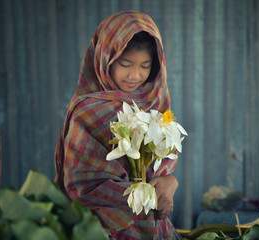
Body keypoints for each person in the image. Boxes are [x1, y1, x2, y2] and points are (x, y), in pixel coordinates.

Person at [54, 11, 181, 239]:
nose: (135, 75)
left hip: (155, 229)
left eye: (145, 65)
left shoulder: (155, 103)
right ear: (105, 58)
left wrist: (171, 182)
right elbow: (81, 185)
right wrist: (145, 194)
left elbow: (163, 167)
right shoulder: (88, 113)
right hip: (107, 231)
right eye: (125, 64)